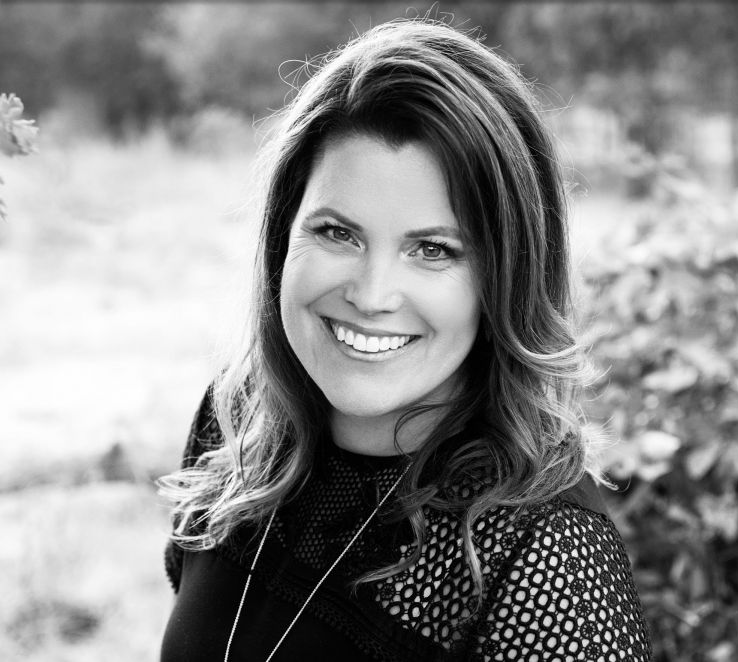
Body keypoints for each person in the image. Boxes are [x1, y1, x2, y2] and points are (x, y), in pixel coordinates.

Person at [158, 18, 652, 662]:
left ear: (505, 279)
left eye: (432, 249)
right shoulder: (237, 425)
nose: (371, 293)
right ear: (284, 238)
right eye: (338, 233)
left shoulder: (548, 568)